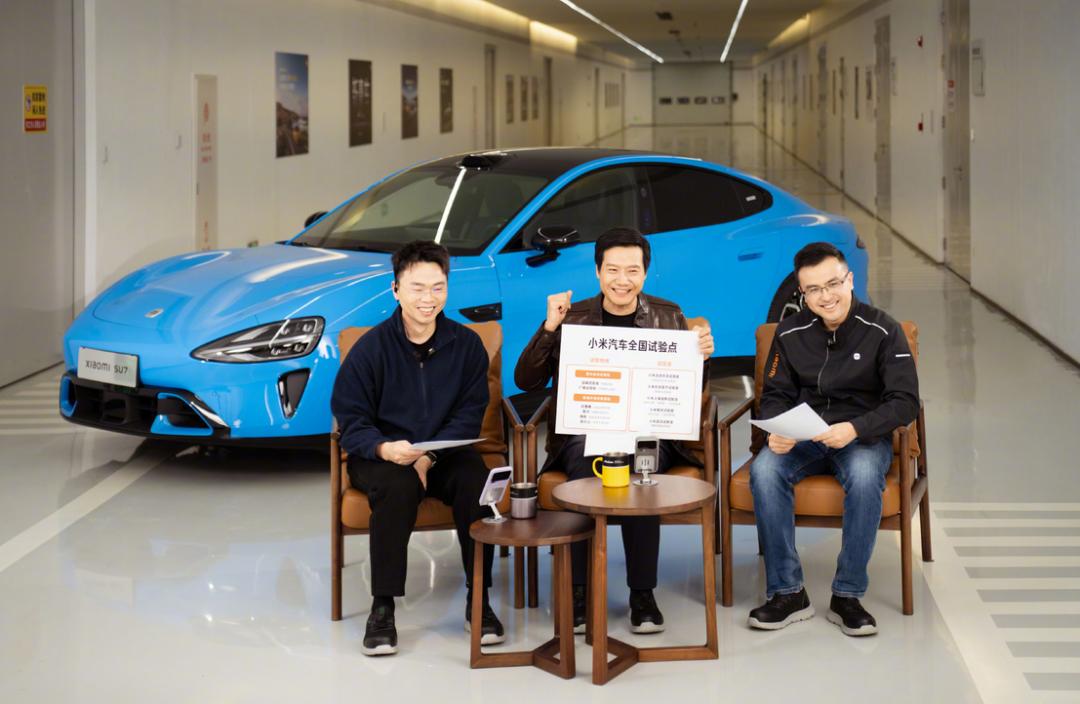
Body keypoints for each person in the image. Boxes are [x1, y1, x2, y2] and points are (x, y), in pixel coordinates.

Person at [515, 226, 714, 635]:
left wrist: (702, 358)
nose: (622, 280)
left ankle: (642, 592)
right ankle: (580, 591)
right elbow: (526, 380)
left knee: (640, 470)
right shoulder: (572, 316)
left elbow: (687, 390)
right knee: (587, 470)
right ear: (597, 271)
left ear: (645, 273)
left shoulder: (669, 315)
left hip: (648, 434)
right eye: (613, 270)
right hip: (584, 434)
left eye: (632, 270)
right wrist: (549, 328)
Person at [331, 240, 503, 656]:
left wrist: (428, 456)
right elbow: (350, 420)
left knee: (474, 481)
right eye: (418, 288)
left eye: (438, 287)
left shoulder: (466, 345)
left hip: (445, 452)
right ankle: (383, 607)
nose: (429, 299)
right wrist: (385, 449)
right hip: (382, 456)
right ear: (396, 289)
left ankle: (478, 597)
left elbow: (470, 413)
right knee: (399, 486)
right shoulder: (370, 349)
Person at [747, 241, 919, 637]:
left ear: (850, 279)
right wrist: (778, 429)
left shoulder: (883, 330)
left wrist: (856, 428)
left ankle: (847, 595)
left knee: (864, 476)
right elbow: (774, 394)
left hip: (862, 436)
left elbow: (905, 401)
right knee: (765, 470)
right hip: (805, 438)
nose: (826, 297)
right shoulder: (789, 331)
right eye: (814, 290)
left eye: (833, 284)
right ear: (802, 294)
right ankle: (788, 592)